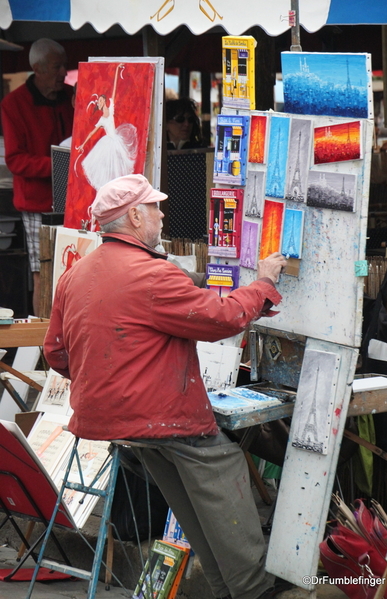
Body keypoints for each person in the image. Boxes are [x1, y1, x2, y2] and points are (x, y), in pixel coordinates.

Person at [44, 174, 287, 599]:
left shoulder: (76, 274)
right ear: (135, 216)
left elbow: (56, 353)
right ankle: (252, 589)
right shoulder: (151, 275)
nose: (161, 215)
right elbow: (222, 318)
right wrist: (263, 283)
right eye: (155, 208)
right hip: (160, 416)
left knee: (194, 499)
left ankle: (226, 587)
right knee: (220, 472)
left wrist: (107, 380)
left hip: (112, 420)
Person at [1, 38, 74, 316]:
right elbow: (15, 160)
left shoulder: (71, 97)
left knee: (75, 267)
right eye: (57, 67)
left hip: (72, 198)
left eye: (64, 65)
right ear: (38, 68)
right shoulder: (14, 104)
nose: (64, 72)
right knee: (42, 272)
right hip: (37, 203)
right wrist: (58, 164)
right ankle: (44, 343)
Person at [76, 63, 138, 191]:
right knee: (106, 170)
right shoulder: (102, 119)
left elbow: (114, 90)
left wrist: (116, 71)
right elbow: (91, 133)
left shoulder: (111, 109)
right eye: (99, 101)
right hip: (107, 143)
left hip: (115, 139)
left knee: (117, 168)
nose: (101, 101)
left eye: (101, 100)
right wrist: (83, 145)